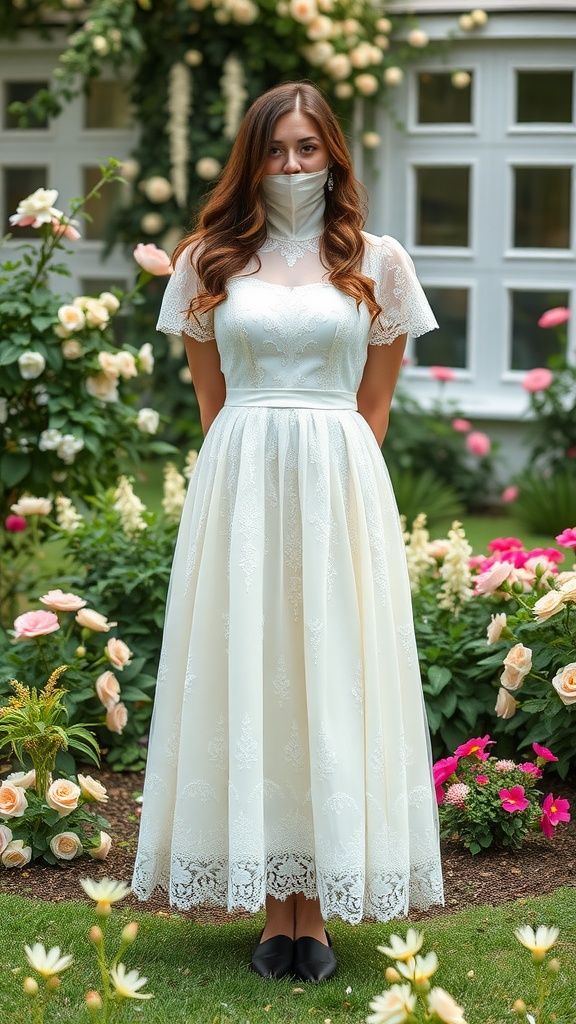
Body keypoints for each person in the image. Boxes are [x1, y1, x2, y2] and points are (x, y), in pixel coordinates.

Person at [132, 81, 444, 982]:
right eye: (277, 150)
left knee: (332, 675)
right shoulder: (207, 261)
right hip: (240, 482)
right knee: (256, 675)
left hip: (340, 481)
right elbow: (209, 400)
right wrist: (252, 486)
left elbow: (376, 407)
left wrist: (332, 489)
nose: (293, 166)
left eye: (309, 149)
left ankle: (326, 900)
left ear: (333, 155)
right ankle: (278, 912)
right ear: (251, 159)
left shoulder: (380, 261)